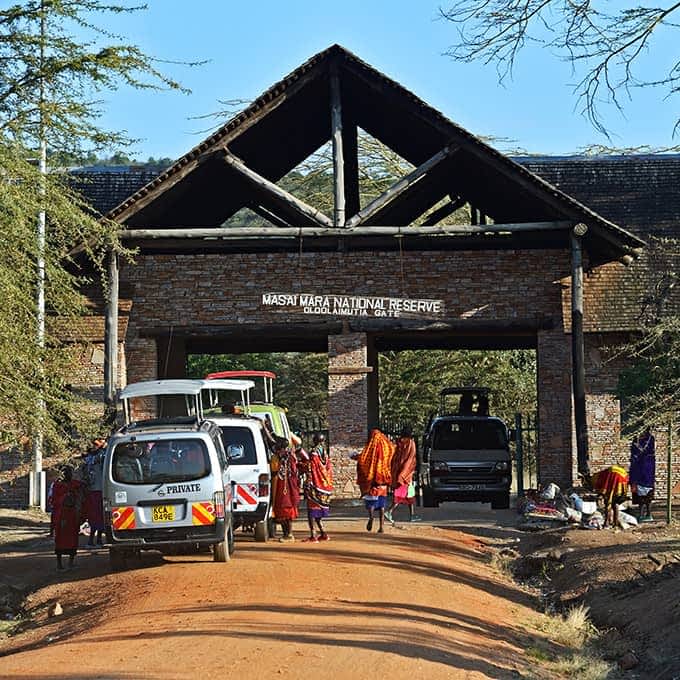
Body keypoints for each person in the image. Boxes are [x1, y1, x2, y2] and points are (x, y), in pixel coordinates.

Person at [355, 429, 395, 533]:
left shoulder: (370, 448)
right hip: (383, 481)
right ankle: (381, 527)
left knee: (371, 503)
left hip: (372, 481)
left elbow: (363, 460)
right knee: (381, 505)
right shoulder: (387, 446)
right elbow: (393, 455)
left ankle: (371, 517)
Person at [299, 433, 333, 542]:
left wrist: (300, 465)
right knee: (317, 511)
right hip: (325, 486)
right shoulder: (325, 453)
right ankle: (323, 533)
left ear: (314, 441)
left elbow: (310, 468)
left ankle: (313, 535)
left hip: (315, 485)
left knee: (311, 511)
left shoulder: (314, 453)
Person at [51, 465, 85, 571]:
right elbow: (54, 501)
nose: (69, 475)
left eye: (70, 473)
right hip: (62, 515)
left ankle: (70, 562)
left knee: (72, 538)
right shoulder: (57, 486)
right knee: (60, 539)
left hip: (72, 515)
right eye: (67, 473)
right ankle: (59, 564)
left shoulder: (75, 484)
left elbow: (82, 490)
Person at [385, 426, 419, 524]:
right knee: (400, 495)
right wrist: (404, 474)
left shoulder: (399, 442)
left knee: (410, 495)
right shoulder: (410, 443)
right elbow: (410, 459)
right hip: (405, 475)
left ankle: (412, 515)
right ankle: (389, 511)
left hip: (400, 472)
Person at [271, 435, 301, 542]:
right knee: (285, 511)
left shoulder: (280, 457)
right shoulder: (290, 456)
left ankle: (288, 534)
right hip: (288, 487)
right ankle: (287, 534)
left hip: (283, 487)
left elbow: (274, 470)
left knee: (284, 511)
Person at [83, 438, 106, 547]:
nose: (94, 446)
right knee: (93, 516)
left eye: (96, 444)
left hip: (100, 489)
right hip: (92, 490)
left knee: (99, 516)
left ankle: (98, 539)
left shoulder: (102, 455)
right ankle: (92, 539)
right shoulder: (90, 457)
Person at [629, 427, 656, 521]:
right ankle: (641, 514)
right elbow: (633, 454)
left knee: (648, 494)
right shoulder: (636, 440)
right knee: (639, 494)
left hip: (646, 470)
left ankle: (648, 514)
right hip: (637, 471)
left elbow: (648, 453)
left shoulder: (649, 439)